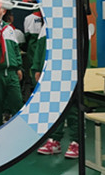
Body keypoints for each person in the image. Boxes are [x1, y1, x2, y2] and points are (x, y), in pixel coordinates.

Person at [32, 27, 82, 158]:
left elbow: (83, 50)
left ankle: (77, 142)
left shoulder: (76, 24)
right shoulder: (46, 26)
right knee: (54, 108)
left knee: (73, 109)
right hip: (51, 72)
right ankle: (54, 140)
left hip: (70, 72)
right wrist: (37, 68)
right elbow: (40, 48)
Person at [0, 2, 23, 131]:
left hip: (12, 73)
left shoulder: (9, 29)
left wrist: (18, 67)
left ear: (4, 11)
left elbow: (16, 49)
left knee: (17, 102)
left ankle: (19, 131)